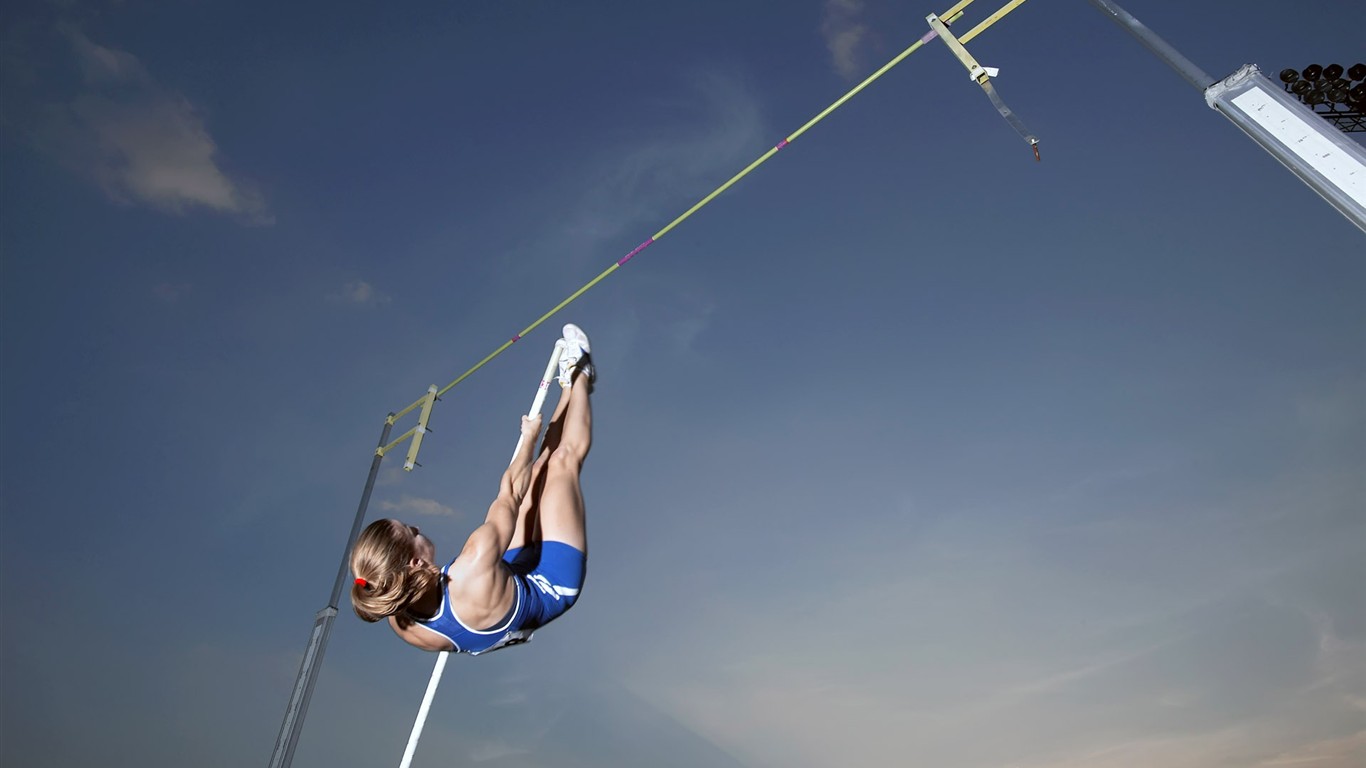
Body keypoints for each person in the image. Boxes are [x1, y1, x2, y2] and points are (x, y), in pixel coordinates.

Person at [349, 324, 594, 654]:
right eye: (411, 531)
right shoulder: (474, 561)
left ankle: (566, 388)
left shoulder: (398, 616)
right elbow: (510, 491)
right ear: (414, 563)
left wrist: (504, 633)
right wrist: (529, 437)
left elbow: (468, 641)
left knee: (538, 475)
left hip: (504, 586)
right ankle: (581, 374)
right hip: (550, 587)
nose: (418, 526)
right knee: (561, 463)